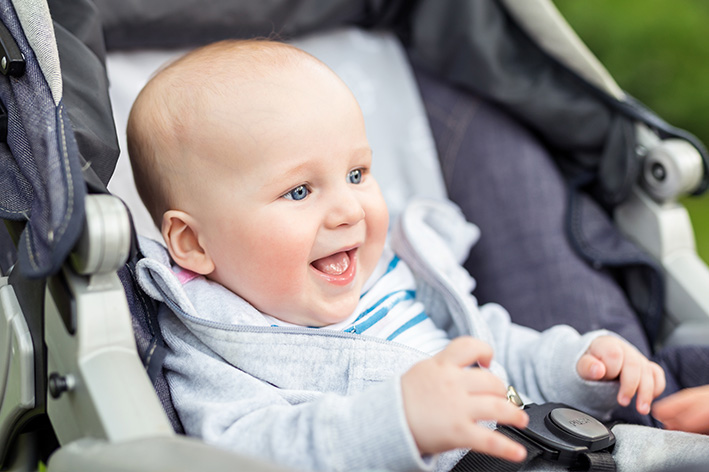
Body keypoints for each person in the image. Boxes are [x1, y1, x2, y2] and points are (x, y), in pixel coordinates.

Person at [127, 39, 709, 471]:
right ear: (194, 244)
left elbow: (494, 352)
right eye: (299, 191)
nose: (348, 210)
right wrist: (394, 423)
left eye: (357, 173)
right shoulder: (216, 346)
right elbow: (250, 450)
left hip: (542, 437)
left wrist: (580, 369)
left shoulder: (393, 276)